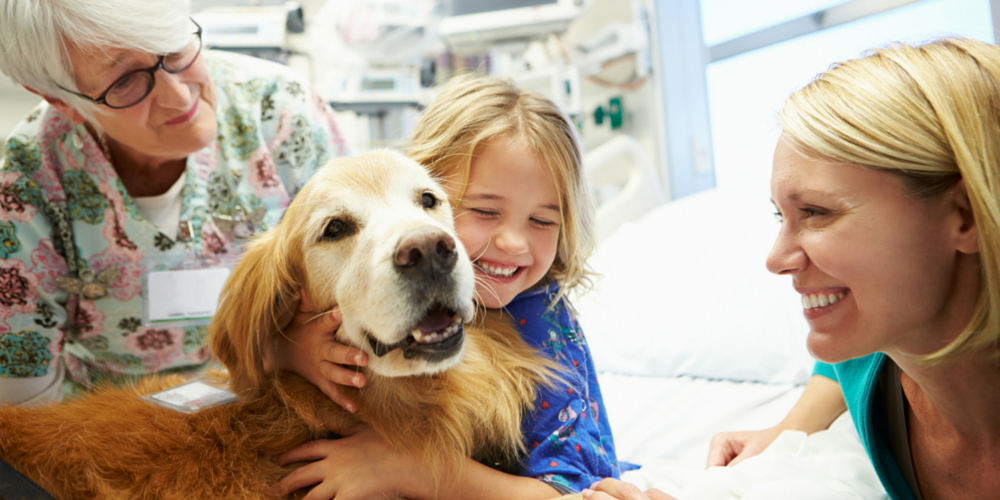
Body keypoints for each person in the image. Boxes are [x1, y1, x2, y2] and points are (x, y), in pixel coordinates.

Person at [271, 75, 628, 499]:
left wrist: (409, 467)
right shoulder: (392, 275)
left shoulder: (543, 320)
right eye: (483, 210)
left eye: (542, 221)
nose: (514, 243)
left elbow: (569, 490)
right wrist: (290, 348)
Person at [0, 0, 365, 407]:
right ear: (61, 99)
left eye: (173, 48)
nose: (178, 96)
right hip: (115, 429)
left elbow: (367, 281)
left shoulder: (279, 111)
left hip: (284, 400)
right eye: (124, 82)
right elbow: (23, 400)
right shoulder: (30, 180)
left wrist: (285, 351)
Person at [704, 37, 1000, 500]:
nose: (776, 260)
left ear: (965, 214)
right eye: (781, 217)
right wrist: (789, 430)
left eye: (817, 212)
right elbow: (841, 365)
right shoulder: (869, 356)